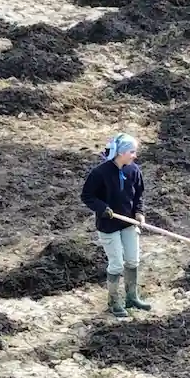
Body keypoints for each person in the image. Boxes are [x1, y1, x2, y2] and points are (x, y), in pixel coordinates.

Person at [81, 132, 151, 319]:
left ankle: (132, 297)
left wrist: (139, 213)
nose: (135, 155)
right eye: (132, 151)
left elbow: (139, 195)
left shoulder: (133, 170)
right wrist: (102, 208)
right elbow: (87, 196)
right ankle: (113, 301)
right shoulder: (99, 173)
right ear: (120, 153)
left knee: (132, 261)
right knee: (117, 264)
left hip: (129, 224)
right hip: (108, 226)